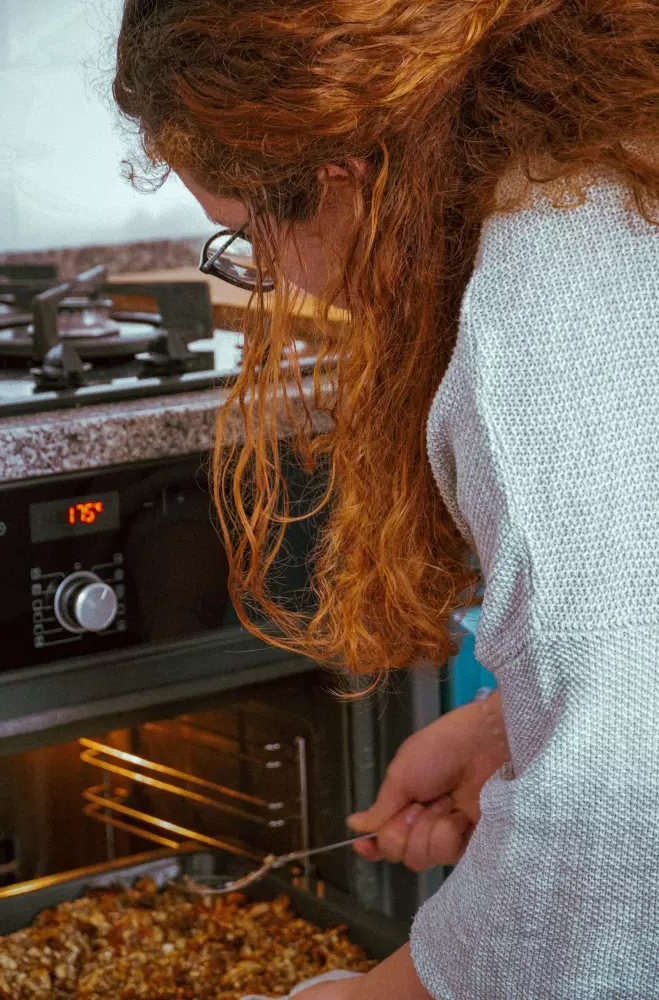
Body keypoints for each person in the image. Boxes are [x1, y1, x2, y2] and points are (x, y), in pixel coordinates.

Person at [113, 2, 659, 997]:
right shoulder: (608, 170)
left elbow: (613, 842)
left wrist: (367, 995)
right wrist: (514, 728)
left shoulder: (541, 321)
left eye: (245, 239)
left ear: (340, 182)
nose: (274, 282)